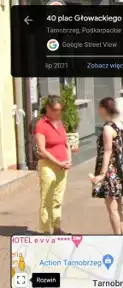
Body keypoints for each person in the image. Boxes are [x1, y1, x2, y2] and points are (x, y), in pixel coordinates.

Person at [91, 97, 123, 235]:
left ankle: (118, 238)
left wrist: (101, 174)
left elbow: (107, 151)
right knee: (120, 207)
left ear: (104, 109)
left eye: (100, 108)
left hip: (111, 172)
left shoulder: (107, 128)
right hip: (121, 170)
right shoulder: (121, 125)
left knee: (112, 209)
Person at [34, 95, 71, 235]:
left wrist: (69, 159)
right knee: (46, 199)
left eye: (60, 110)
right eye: (55, 110)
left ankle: (57, 228)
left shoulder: (60, 122)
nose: (58, 112)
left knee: (58, 199)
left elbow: (65, 142)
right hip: (48, 166)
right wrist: (58, 162)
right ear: (48, 108)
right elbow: (42, 149)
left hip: (63, 166)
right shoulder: (41, 125)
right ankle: (45, 231)